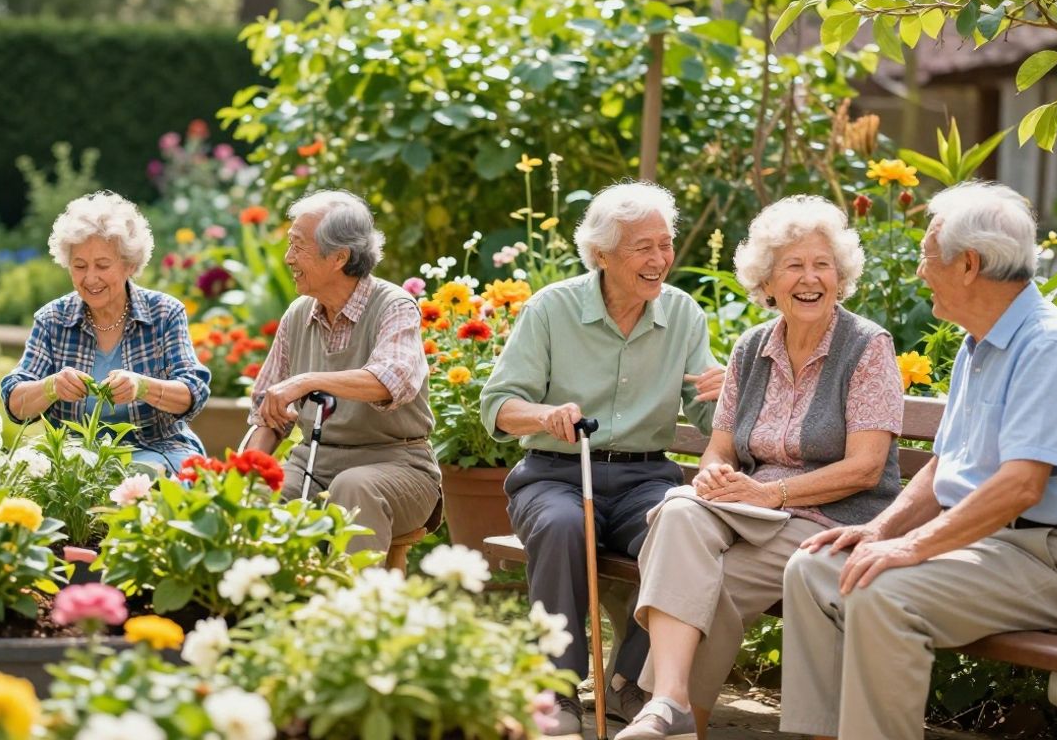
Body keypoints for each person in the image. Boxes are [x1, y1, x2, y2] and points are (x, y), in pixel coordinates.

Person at [779, 182, 1057, 740]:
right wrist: (877, 530)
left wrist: (910, 546)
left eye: (925, 255)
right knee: (814, 570)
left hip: (1049, 559)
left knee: (880, 594)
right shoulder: (978, 343)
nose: (919, 271)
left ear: (968, 264)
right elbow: (944, 468)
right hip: (983, 548)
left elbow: (1020, 487)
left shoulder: (1049, 345)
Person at [614, 195, 904, 739]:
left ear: (841, 278)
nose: (810, 277)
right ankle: (671, 702)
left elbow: (867, 469)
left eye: (822, 265)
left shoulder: (867, 347)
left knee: (710, 582)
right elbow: (721, 447)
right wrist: (712, 475)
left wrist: (775, 494)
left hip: (829, 522)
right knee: (680, 510)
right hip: (751, 512)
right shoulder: (752, 349)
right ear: (767, 283)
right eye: (793, 266)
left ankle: (668, 713)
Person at [480, 181, 726, 735]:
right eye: (644, 247)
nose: (660, 259)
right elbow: (497, 406)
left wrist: (725, 392)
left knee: (688, 535)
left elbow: (713, 418)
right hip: (556, 475)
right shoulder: (553, 308)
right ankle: (559, 695)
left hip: (646, 478)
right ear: (602, 254)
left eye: (665, 245)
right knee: (566, 526)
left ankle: (627, 683)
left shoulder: (683, 314)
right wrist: (543, 416)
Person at [242, 189, 441, 556]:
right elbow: (267, 414)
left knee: (353, 489)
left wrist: (306, 381)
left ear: (339, 257)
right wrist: (251, 473)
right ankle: (275, 611)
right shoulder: (298, 314)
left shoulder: (394, 306)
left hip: (397, 464)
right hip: (313, 463)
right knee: (254, 501)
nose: (288, 258)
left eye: (297, 247)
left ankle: (352, 612)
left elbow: (389, 380)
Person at [0, 191, 210, 472]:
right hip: (74, 461)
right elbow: (15, 404)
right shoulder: (52, 320)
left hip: (155, 450)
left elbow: (192, 393)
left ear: (130, 265)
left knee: (148, 482)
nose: (90, 278)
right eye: (79, 266)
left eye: (102, 265)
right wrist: (51, 387)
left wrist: (142, 386)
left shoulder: (164, 313)